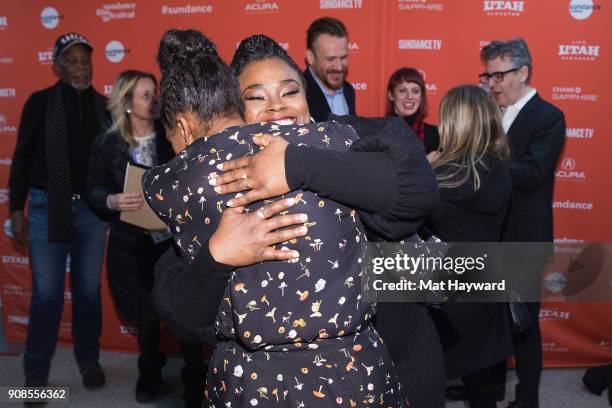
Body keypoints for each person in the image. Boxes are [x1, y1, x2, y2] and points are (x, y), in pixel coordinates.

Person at [152, 33, 441, 407]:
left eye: (289, 91)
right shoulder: (212, 190)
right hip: (265, 387)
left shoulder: (353, 136)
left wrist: (296, 165)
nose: (276, 107)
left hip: (394, 364)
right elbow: (181, 313)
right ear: (232, 113)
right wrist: (217, 257)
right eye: (255, 97)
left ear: (307, 95)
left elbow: (417, 192)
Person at [86, 70, 206, 406]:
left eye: (155, 94)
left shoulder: (172, 137)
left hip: (175, 240)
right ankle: (149, 376)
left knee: (187, 310)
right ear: (126, 103)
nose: (154, 101)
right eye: (145, 95)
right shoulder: (106, 143)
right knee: (148, 316)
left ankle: (195, 378)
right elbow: (92, 189)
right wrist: (111, 200)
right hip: (135, 245)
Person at [8, 32, 108, 390]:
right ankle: (35, 379)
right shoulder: (39, 103)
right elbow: (20, 158)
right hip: (47, 206)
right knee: (47, 295)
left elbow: (112, 162)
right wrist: (14, 209)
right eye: (73, 61)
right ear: (57, 67)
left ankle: (89, 362)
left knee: (87, 292)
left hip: (92, 213)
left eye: (86, 60)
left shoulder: (103, 107)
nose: (81, 67)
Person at [480, 38, 566, 408]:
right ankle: (490, 390)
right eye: (488, 75)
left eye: (499, 75)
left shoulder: (549, 117)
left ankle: (527, 399)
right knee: (492, 322)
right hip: (491, 234)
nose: (492, 83)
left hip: (525, 240)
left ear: (523, 72)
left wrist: (480, 162)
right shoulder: (489, 112)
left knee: (524, 323)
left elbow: (531, 174)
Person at [424, 85, 514, 408]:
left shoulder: (438, 177)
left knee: (426, 382)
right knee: (481, 385)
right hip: (487, 285)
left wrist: (425, 170)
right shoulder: (501, 168)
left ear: (454, 122)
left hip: (446, 297)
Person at [303, 17, 356, 121]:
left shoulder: (348, 90)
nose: (339, 67)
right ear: (310, 57)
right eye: (330, 59)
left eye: (343, 57)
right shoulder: (297, 95)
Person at [386, 67, 439, 154]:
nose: (410, 97)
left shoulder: (436, 135)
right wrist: (426, 162)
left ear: (421, 96)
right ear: (391, 95)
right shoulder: (379, 132)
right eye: (402, 91)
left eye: (415, 91)